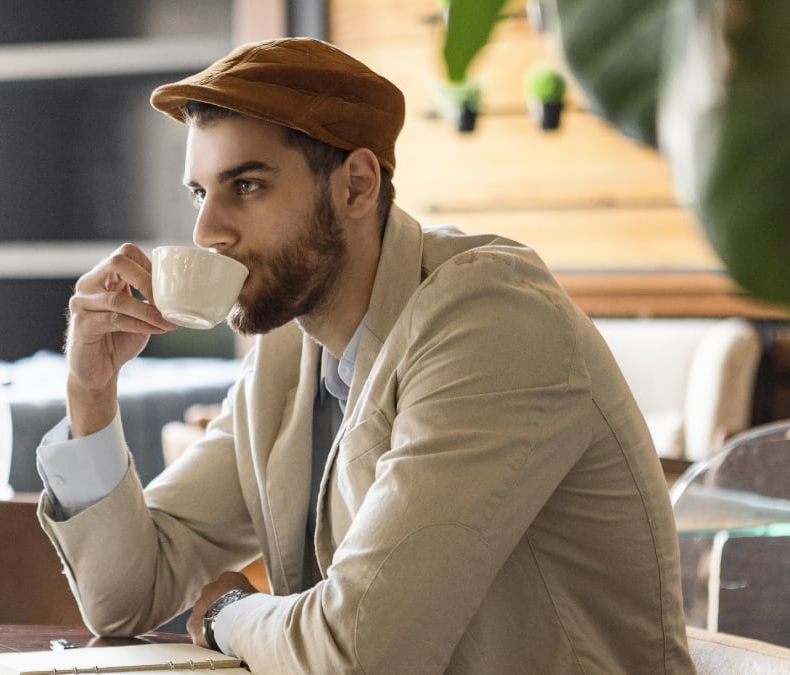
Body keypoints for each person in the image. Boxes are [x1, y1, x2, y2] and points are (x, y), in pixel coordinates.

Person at [34, 37, 694, 673]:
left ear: (355, 185)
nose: (209, 231)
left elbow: (362, 653)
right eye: (200, 193)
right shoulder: (286, 357)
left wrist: (228, 615)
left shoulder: (493, 320)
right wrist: (91, 391)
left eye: (248, 186)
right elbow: (127, 594)